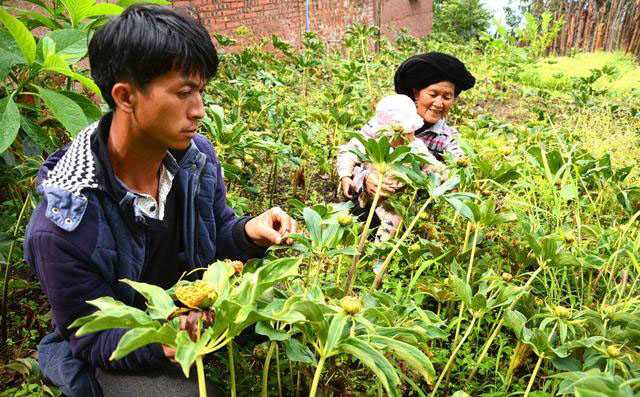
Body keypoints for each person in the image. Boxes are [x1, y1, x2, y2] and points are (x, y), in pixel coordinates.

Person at [23, 5, 296, 396]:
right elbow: (93, 335)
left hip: (193, 314)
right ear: (126, 97)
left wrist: (248, 232)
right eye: (184, 92)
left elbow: (215, 236)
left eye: (201, 91)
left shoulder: (194, 157)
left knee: (285, 308)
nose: (199, 110)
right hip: (118, 346)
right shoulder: (63, 222)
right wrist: (163, 342)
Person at [361, 52, 476, 200]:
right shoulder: (387, 121)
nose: (439, 104)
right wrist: (366, 179)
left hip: (412, 206)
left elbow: (459, 167)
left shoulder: (446, 137)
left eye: (447, 97)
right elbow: (353, 152)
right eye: (433, 95)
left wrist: (449, 177)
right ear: (416, 93)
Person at [336, 94, 440, 241]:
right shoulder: (371, 141)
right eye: (401, 134)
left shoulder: (415, 147)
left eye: (410, 132)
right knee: (354, 219)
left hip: (394, 201)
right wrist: (345, 175)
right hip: (366, 195)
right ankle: (353, 240)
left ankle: (379, 250)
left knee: (392, 225)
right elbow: (348, 152)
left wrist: (444, 176)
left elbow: (432, 165)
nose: (406, 138)